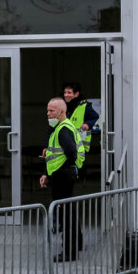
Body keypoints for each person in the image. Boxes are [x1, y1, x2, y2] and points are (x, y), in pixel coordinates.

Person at [39, 97, 80, 262]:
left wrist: (61, 171)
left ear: (61, 112)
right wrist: (46, 174)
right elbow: (53, 156)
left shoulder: (63, 129)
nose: (48, 114)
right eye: (47, 110)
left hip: (62, 179)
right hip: (58, 177)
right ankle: (72, 248)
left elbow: (71, 153)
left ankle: (69, 252)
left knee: (65, 216)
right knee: (67, 214)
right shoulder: (58, 128)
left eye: (51, 111)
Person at [62, 82, 99, 174]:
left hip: (79, 146)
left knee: (74, 170)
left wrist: (87, 124)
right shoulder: (61, 105)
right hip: (64, 145)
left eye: (69, 93)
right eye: (65, 92)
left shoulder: (84, 106)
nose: (66, 95)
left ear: (76, 94)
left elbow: (95, 117)